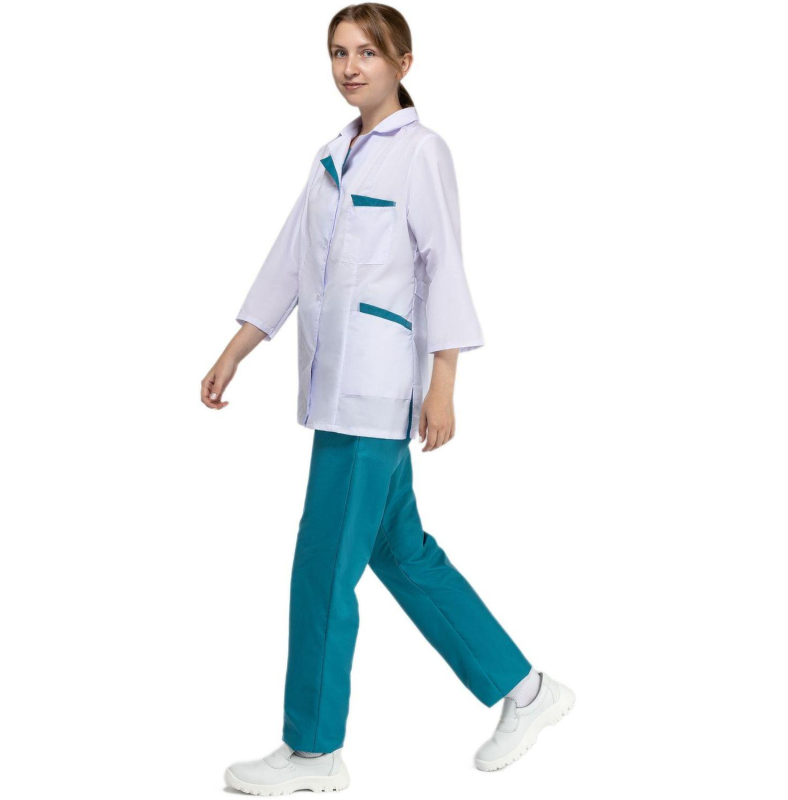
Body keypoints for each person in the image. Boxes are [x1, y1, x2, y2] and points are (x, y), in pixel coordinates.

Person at [202, 4, 575, 794]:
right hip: (333, 390)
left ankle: (313, 752)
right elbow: (287, 259)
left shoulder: (422, 152)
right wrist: (236, 350)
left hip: (375, 393)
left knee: (321, 569)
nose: (350, 67)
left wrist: (444, 385)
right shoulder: (330, 155)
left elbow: (445, 268)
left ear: (403, 62)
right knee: (401, 552)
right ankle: (527, 690)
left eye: (367, 53)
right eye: (338, 52)